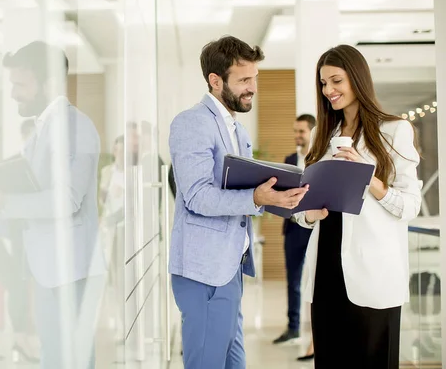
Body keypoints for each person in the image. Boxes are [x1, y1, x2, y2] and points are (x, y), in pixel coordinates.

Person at [0, 41, 106, 369]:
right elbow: (33, 196)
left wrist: (2, 201)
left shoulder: (73, 126)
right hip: (51, 268)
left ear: (49, 83)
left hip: (70, 269)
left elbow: (65, 200)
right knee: (55, 356)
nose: (13, 94)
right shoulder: (44, 128)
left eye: (20, 85)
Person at [168, 35, 309, 368]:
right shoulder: (192, 122)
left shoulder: (237, 130)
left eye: (255, 78)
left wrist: (295, 203)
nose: (253, 88)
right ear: (216, 81)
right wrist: (256, 196)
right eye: (244, 80)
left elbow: (248, 196)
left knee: (235, 363)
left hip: (230, 266)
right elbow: (198, 195)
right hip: (203, 273)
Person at [294, 44, 421, 369]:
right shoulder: (322, 135)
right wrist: (307, 214)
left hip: (374, 272)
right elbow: (301, 204)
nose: (328, 90)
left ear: (357, 79)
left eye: (336, 80)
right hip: (327, 270)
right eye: (323, 83)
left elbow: (410, 205)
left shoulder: (394, 130)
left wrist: (368, 177)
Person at [273, 114, 316, 345]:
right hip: (292, 229)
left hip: (314, 228)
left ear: (312, 132)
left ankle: (319, 333)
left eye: (301, 131)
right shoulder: (289, 159)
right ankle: (293, 327)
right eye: (295, 131)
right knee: (293, 281)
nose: (297, 136)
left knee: (318, 281)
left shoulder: (321, 159)